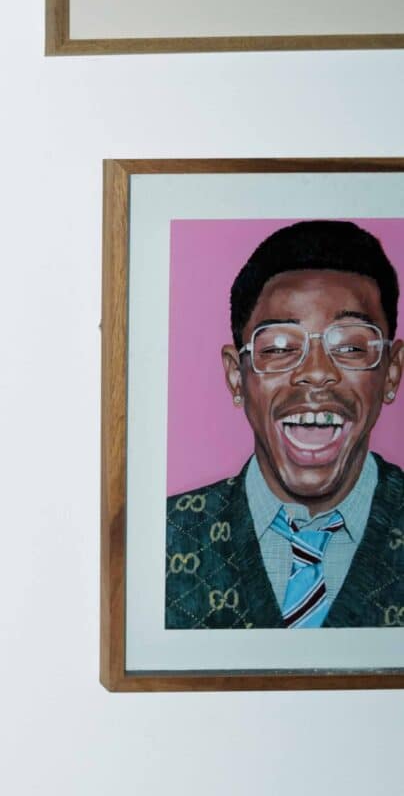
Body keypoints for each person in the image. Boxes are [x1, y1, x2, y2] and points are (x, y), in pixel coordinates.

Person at [165, 219, 404, 631]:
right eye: (279, 347)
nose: (316, 372)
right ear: (236, 377)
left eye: (350, 345)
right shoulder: (159, 540)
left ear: (392, 373)